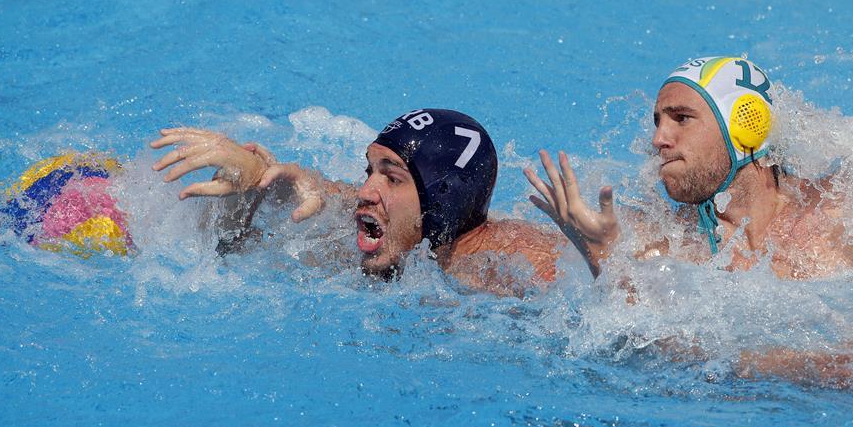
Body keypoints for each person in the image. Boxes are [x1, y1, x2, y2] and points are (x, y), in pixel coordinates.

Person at [524, 56, 853, 387]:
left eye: (682, 118)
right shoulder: (662, 246)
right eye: (658, 121)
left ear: (746, 125)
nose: (659, 139)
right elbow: (645, 351)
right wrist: (603, 257)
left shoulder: (846, 208)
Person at [151, 109, 562, 297]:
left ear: (441, 201)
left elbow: (614, 317)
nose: (366, 191)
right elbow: (320, 192)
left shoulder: (513, 267)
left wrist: (599, 254)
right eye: (370, 170)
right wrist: (258, 175)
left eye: (392, 177)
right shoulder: (394, 227)